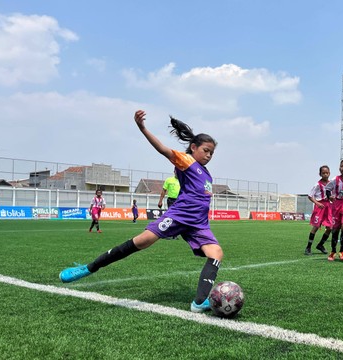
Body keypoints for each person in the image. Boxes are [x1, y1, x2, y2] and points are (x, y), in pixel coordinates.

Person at [60, 110, 223, 314]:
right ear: (193, 147)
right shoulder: (187, 161)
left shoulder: (207, 174)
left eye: (212, 153)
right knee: (141, 241)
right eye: (206, 150)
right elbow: (163, 149)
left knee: (216, 253)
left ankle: (199, 302)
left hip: (199, 223)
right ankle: (88, 268)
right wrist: (143, 128)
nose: (209, 155)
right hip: (180, 215)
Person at [303, 165, 332, 255]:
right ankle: (308, 247)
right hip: (320, 207)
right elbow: (310, 196)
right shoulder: (317, 185)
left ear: (329, 173)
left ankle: (320, 245)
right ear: (320, 174)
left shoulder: (332, 184)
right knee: (315, 227)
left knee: (330, 227)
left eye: (327, 173)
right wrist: (317, 203)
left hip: (328, 207)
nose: (325, 174)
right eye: (323, 173)